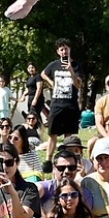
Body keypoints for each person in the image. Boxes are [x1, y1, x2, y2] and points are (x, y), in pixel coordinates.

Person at [41, 38, 82, 172]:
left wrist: (70, 70)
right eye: (61, 49)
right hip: (56, 104)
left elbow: (78, 85)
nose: (64, 51)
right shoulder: (53, 65)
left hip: (70, 105)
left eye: (66, 49)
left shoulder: (76, 66)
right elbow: (43, 74)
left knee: (68, 135)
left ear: (70, 50)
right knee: (52, 133)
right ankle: (48, 161)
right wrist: (51, 83)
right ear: (58, 51)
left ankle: (67, 159)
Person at [23, 63, 45, 127]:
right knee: (31, 115)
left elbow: (39, 88)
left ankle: (40, 128)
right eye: (29, 68)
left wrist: (35, 99)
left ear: (35, 68)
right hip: (30, 98)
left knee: (35, 114)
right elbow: (29, 89)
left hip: (37, 98)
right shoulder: (29, 78)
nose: (31, 69)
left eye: (32, 67)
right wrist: (23, 95)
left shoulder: (38, 76)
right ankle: (34, 129)